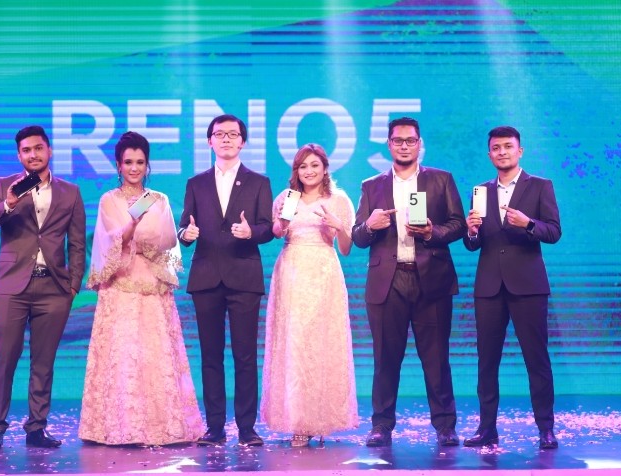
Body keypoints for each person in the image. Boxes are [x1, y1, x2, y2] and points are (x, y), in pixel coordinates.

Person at [78, 131, 203, 446]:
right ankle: (120, 426)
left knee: (154, 356)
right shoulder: (109, 200)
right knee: (123, 357)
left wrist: (149, 240)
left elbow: (169, 244)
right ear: (118, 165)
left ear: (148, 165)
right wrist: (130, 227)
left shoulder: (159, 200)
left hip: (152, 287)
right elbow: (107, 241)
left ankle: (161, 426)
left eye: (140, 162)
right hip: (120, 288)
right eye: (128, 162)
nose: (134, 168)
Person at [352, 117, 465, 448]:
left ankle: (445, 425)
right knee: (385, 358)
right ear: (389, 144)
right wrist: (370, 226)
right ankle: (381, 425)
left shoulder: (441, 180)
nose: (404, 146)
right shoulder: (371, 186)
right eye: (398, 140)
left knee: (436, 358)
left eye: (410, 140)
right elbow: (357, 237)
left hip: (432, 279)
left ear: (420, 144)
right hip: (387, 282)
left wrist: (432, 232)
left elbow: (458, 224)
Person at [0, 125, 86, 449]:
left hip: (54, 288)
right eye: (26, 150)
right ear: (19, 155)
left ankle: (36, 428)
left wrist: (73, 286)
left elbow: (77, 243)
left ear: (49, 151)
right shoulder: (4, 186)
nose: (33, 155)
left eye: (38, 148)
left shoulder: (70, 192)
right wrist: (8, 204)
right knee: (3, 359)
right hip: (13, 286)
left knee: (43, 362)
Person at [177, 114, 274, 447]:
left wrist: (251, 232)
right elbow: (184, 226)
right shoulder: (196, 183)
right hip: (206, 277)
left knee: (245, 357)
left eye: (233, 134)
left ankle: (247, 428)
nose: (227, 139)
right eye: (220, 134)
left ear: (243, 142)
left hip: (244, 276)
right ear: (210, 141)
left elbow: (268, 228)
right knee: (210, 356)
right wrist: (186, 234)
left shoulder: (258, 182)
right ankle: (215, 427)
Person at [462, 126, 562, 450]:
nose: (502, 152)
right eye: (496, 148)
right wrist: (471, 231)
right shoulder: (480, 191)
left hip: (528, 286)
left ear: (520, 151)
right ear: (489, 154)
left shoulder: (540, 186)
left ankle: (545, 428)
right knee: (486, 361)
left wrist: (529, 224)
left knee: (537, 359)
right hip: (489, 287)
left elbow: (554, 231)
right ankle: (486, 428)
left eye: (508, 146)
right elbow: (472, 244)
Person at [260, 143, 358, 447]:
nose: (309, 171)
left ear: (325, 168)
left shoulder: (338, 199)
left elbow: (346, 248)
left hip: (324, 272)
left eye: (314, 165)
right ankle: (298, 421)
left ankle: (322, 417)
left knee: (322, 343)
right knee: (295, 344)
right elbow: (277, 232)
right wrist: (281, 224)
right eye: (303, 166)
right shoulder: (287, 197)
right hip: (291, 272)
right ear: (296, 171)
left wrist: (338, 227)